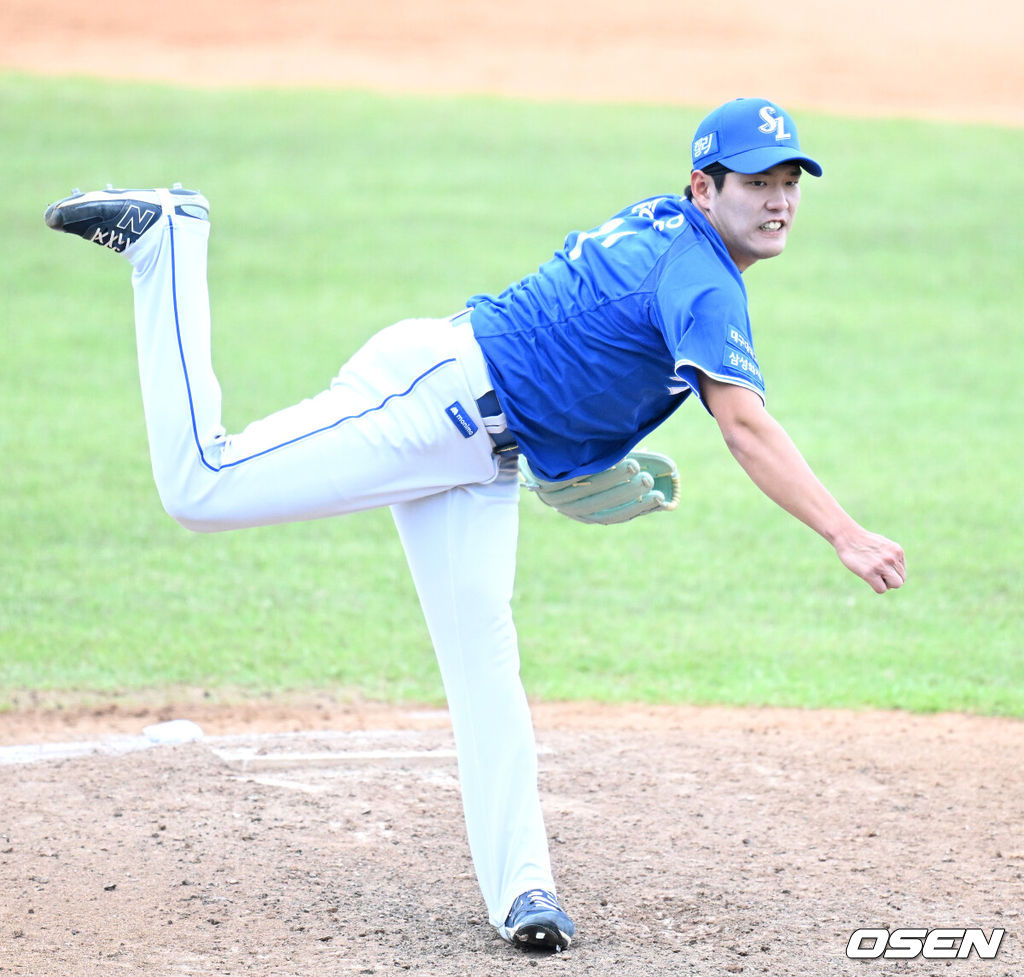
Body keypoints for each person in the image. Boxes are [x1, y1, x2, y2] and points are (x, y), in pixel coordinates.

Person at [43, 97, 906, 952]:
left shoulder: (670, 228)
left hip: (480, 454)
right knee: (200, 486)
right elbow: (744, 424)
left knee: (486, 671)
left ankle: (524, 888)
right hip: (425, 403)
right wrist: (843, 531)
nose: (779, 199)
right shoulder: (705, 283)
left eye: (790, 180)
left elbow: (581, 350)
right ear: (704, 186)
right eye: (757, 180)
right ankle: (169, 240)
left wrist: (582, 463)